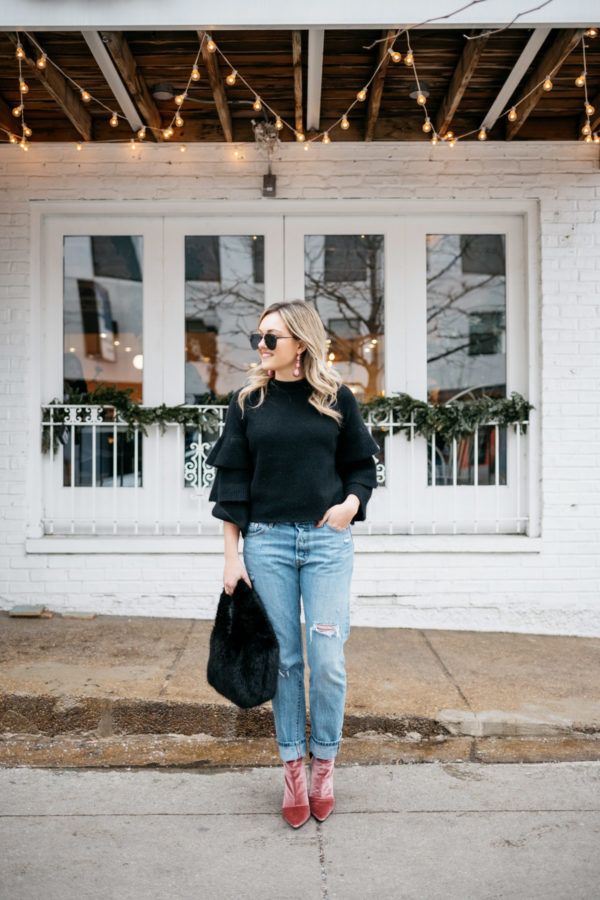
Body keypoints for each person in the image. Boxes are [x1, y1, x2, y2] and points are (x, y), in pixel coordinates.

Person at [205, 300, 379, 828]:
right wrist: (231, 556)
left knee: (325, 658)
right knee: (284, 663)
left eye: (270, 338)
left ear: (300, 344)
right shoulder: (248, 401)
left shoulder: (336, 398)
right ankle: (292, 773)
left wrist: (350, 506)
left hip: (327, 543)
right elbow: (231, 485)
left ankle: (324, 763)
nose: (260, 346)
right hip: (268, 545)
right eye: (259, 337)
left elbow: (360, 467)